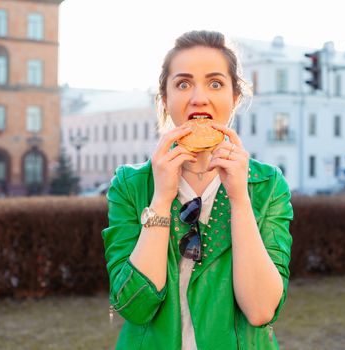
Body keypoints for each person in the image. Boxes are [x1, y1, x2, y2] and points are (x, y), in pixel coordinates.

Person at [102, 30, 293, 350]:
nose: (199, 97)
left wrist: (240, 199)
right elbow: (133, 306)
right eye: (183, 83)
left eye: (215, 83)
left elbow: (261, 311)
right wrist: (161, 199)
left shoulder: (267, 185)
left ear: (235, 97)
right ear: (165, 98)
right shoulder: (131, 185)